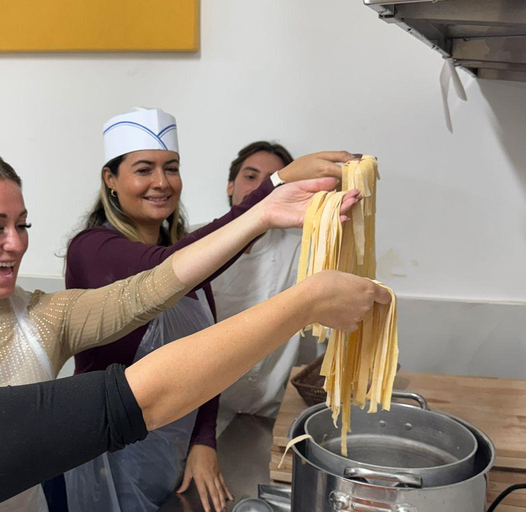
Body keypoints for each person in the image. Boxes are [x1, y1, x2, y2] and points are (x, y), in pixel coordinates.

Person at [0, 158, 390, 511]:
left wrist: (261, 210)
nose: (16, 243)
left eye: (22, 225)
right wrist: (303, 301)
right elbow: (138, 397)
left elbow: (153, 286)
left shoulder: (45, 318)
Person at [65, 108, 356, 512]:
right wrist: (272, 189)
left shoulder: (193, 258)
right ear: (110, 179)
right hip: (108, 450)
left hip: (171, 451)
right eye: (143, 169)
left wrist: (203, 440)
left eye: (172, 167)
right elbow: (162, 271)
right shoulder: (92, 248)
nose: (161, 183)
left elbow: (207, 357)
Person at [212, 141, 312, 432]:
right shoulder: (189, 241)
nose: (259, 189)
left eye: (274, 181)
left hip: (265, 416)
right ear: (230, 185)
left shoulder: (304, 251)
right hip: (190, 415)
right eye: (250, 176)